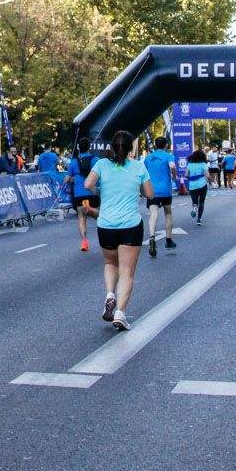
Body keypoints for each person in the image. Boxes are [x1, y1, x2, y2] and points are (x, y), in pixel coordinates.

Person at [84, 130, 152, 332]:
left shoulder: (102, 165)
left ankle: (109, 295)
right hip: (130, 224)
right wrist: (135, 188)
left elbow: (88, 184)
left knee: (110, 262)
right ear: (131, 148)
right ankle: (120, 313)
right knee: (127, 271)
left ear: (111, 147)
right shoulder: (138, 166)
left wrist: (101, 191)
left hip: (105, 224)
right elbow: (150, 193)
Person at [141, 139, 177, 257]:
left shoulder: (148, 158)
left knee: (153, 214)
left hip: (152, 190)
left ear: (155, 145)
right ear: (166, 145)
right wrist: (174, 175)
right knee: (168, 213)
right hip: (165, 190)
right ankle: (168, 240)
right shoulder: (168, 156)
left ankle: (152, 237)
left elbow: (143, 173)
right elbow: (172, 166)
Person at [72, 145, 98, 251]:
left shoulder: (74, 162)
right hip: (92, 191)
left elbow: (68, 177)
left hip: (79, 193)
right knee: (100, 216)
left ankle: (84, 242)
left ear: (79, 149)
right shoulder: (95, 160)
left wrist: (69, 179)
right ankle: (107, 238)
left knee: (82, 217)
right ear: (89, 148)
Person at [184, 148, 209, 225]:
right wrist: (208, 179)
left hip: (192, 186)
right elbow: (207, 176)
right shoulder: (203, 164)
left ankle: (194, 208)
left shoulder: (190, 164)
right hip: (202, 185)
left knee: (195, 202)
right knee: (201, 202)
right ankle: (199, 219)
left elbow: (186, 175)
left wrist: (192, 177)